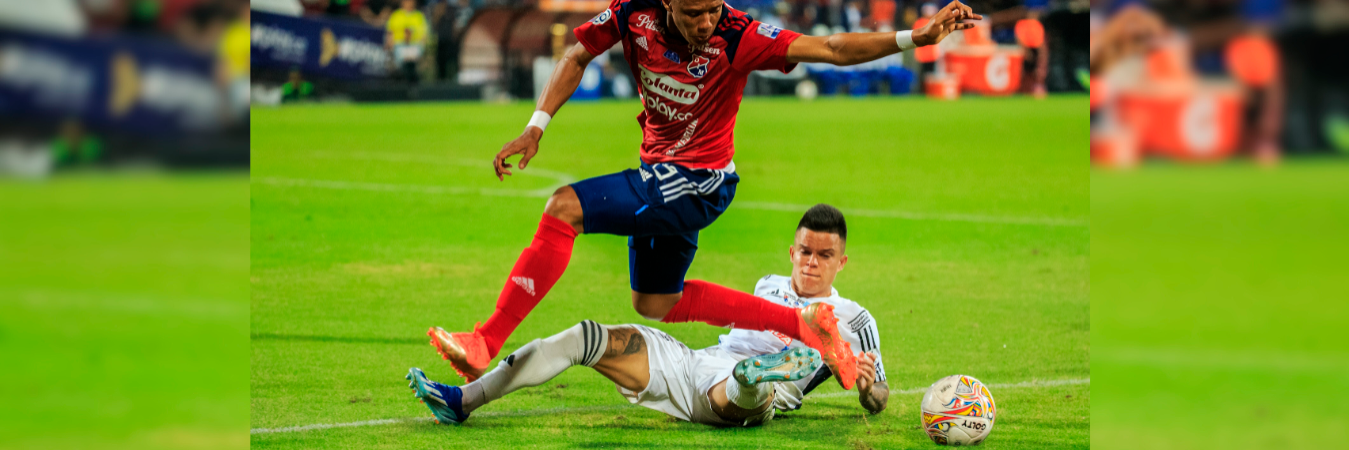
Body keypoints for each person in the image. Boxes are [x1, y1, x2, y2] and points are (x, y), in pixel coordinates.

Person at [427, 0, 979, 392]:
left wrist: (916, 37)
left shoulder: (739, 36)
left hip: (699, 180)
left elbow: (831, 47)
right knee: (655, 303)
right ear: (666, 3)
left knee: (563, 209)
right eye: (693, 12)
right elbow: (576, 55)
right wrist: (537, 125)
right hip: (663, 174)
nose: (705, 21)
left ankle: (484, 341)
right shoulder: (631, 13)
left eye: (713, 9)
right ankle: (805, 325)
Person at [410, 205, 889, 426]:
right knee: (585, 336)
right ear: (791, 251)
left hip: (752, 396)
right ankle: (462, 399)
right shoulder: (767, 286)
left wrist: (868, 389)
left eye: (824, 256)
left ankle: (754, 378)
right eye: (805, 251)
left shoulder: (855, 318)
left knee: (754, 385)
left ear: (841, 262)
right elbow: (717, 315)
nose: (811, 261)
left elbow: (881, 397)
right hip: (692, 364)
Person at [385, 0, 428, 84]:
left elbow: (424, 36)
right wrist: (390, 46)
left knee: (412, 56)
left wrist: (422, 46)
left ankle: (411, 84)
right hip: (399, 45)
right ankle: (405, 82)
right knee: (402, 57)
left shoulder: (418, 16)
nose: (409, 3)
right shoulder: (396, 15)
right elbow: (389, 34)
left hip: (414, 45)